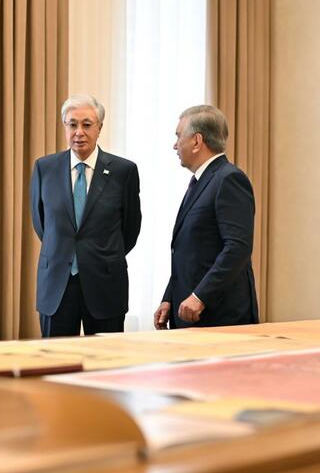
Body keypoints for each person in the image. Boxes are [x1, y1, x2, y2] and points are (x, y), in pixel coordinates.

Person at [30, 94, 141, 337]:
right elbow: (42, 224)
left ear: (99, 128)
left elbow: (130, 229)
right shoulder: (45, 168)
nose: (79, 132)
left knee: (106, 358)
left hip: (105, 283)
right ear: (65, 127)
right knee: (55, 356)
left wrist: (100, 254)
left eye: (87, 125)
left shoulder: (124, 171)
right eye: (72, 124)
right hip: (57, 283)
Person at [154, 105, 258, 329]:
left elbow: (237, 248)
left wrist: (200, 297)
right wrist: (169, 298)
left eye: (178, 136)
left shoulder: (229, 179)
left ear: (197, 141)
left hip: (220, 316)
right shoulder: (201, 181)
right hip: (190, 313)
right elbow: (188, 251)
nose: (175, 145)